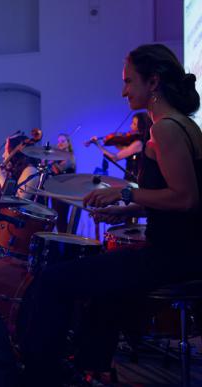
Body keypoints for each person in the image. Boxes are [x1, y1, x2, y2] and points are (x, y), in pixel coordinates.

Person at [19, 44, 202, 385]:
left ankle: (43, 375)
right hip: (181, 250)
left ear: (154, 82)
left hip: (173, 256)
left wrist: (125, 191)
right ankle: (92, 368)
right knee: (105, 283)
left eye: (129, 81)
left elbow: (187, 199)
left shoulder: (167, 128)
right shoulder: (183, 125)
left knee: (53, 281)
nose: (123, 91)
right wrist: (127, 209)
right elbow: (176, 198)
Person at [88, 112, 153, 182]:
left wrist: (98, 144)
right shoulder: (138, 142)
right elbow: (125, 150)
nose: (131, 126)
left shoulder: (138, 143)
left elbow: (115, 158)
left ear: (141, 127)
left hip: (134, 180)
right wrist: (115, 141)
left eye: (134, 124)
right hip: (131, 178)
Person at [0, 134, 38, 199]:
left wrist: (1, 179)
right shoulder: (15, 170)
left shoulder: (31, 170)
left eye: (6, 151)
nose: (3, 155)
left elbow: (18, 201)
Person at [50, 133, 77, 233]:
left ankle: (65, 245)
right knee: (56, 217)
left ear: (68, 143)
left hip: (64, 193)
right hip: (55, 192)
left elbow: (59, 171)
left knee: (61, 219)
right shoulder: (59, 157)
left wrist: (52, 161)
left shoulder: (70, 157)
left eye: (63, 141)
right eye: (58, 141)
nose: (59, 143)